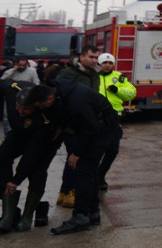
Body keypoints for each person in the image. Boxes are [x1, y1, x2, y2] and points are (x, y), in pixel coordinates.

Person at [31, 76, 119, 235]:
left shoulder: (76, 100)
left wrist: (76, 153)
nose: (43, 108)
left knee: (84, 170)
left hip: (102, 128)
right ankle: (92, 213)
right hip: (95, 126)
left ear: (50, 98)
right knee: (89, 171)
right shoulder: (60, 91)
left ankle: (80, 217)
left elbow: (91, 129)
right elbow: (66, 116)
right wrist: (60, 127)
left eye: (43, 105)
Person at [0, 81, 59, 232]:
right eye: (18, 108)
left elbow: (33, 153)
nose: (20, 112)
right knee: (2, 155)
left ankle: (28, 215)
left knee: (37, 170)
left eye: (25, 110)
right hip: (19, 133)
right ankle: (9, 213)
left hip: (45, 140)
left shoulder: (45, 117)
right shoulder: (11, 90)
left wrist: (16, 179)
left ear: (36, 106)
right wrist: (8, 181)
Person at [53, 46, 100, 209]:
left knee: (75, 158)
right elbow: (59, 99)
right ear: (81, 57)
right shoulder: (68, 74)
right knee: (75, 158)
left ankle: (65, 191)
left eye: (96, 58)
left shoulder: (95, 75)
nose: (94, 61)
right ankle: (70, 191)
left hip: (87, 125)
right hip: (71, 125)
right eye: (91, 57)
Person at [95, 53, 135, 192]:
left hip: (114, 117)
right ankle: (92, 177)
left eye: (110, 63)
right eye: (104, 62)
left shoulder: (120, 77)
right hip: (97, 117)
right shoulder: (94, 77)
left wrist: (117, 90)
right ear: (99, 64)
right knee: (96, 150)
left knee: (113, 150)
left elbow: (132, 93)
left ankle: (101, 175)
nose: (107, 65)